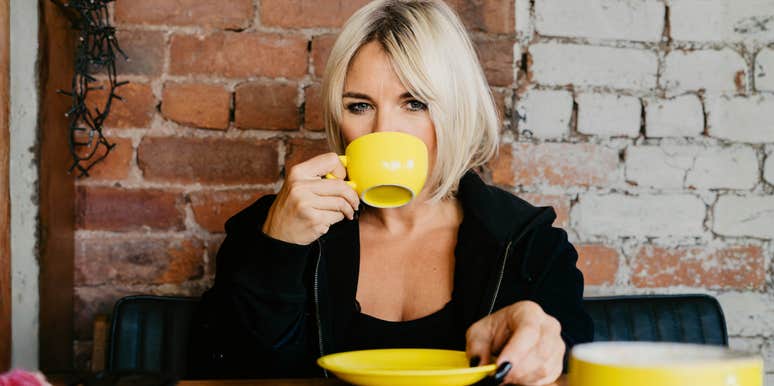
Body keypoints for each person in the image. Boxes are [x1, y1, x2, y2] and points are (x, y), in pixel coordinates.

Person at [187, 1, 593, 384]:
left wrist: (546, 343)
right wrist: (278, 250)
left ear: (457, 111)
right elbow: (221, 369)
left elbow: (572, 364)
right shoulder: (271, 227)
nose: (384, 131)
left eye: (414, 103)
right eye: (359, 106)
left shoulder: (529, 246)